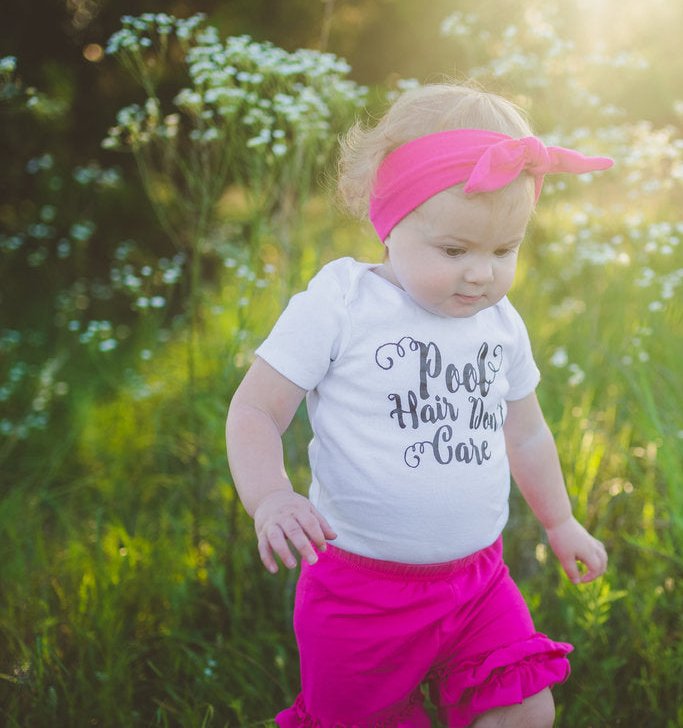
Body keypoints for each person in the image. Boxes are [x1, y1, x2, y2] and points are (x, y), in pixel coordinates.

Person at [226, 83, 612, 727]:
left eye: (504, 250)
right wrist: (271, 497)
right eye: (455, 251)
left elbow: (528, 435)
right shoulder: (344, 303)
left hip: (477, 583)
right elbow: (256, 411)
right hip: (359, 592)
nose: (482, 274)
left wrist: (560, 522)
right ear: (391, 223)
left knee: (526, 710)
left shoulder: (501, 323)